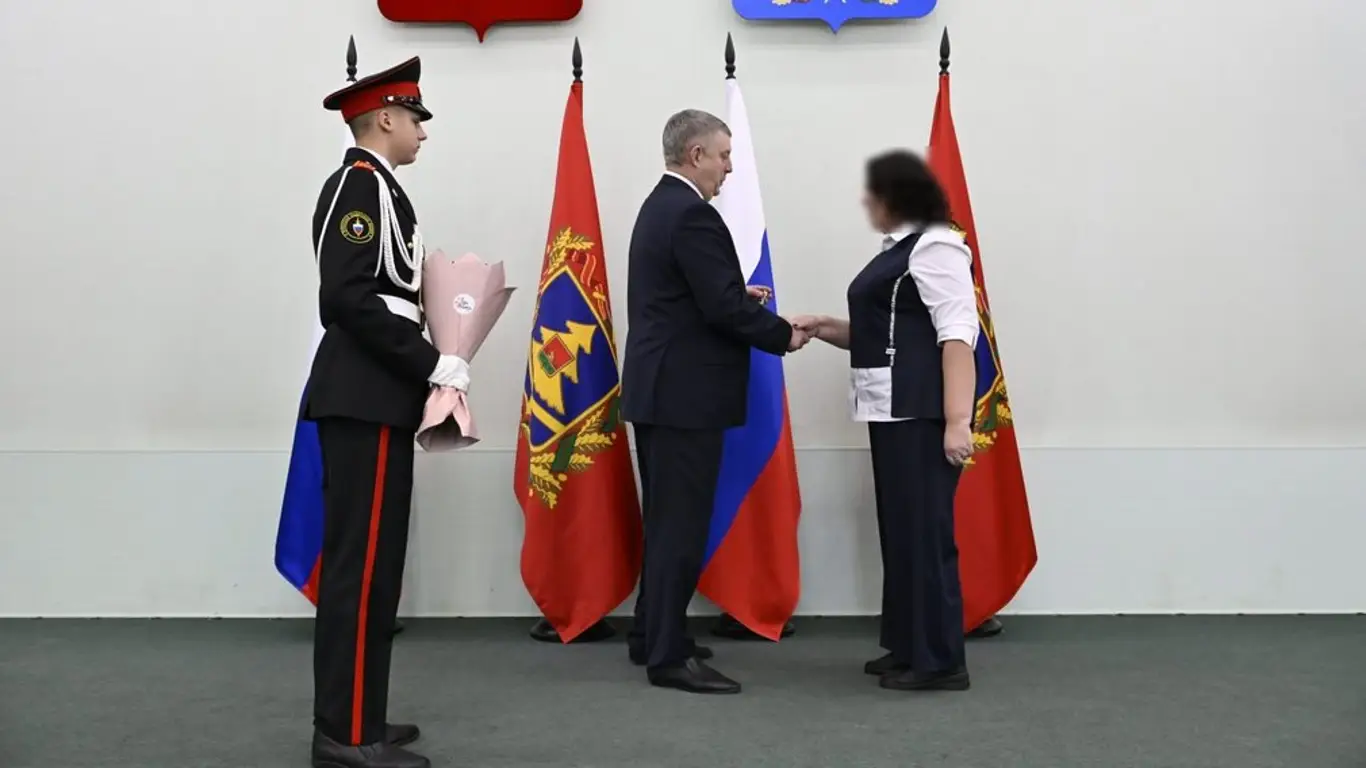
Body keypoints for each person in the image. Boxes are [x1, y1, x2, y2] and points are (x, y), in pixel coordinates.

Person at [304, 55, 469, 768]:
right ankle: (345, 735)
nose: (423, 132)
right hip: (364, 390)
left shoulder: (383, 190)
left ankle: (359, 713)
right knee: (361, 566)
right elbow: (346, 296)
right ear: (385, 118)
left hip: (379, 391)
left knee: (376, 567)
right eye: (415, 119)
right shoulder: (357, 186)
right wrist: (428, 360)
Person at [620, 109, 811, 695]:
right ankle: (669, 657)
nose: (730, 167)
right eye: (724, 155)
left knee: (666, 521)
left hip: (661, 392)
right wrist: (782, 334)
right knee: (680, 526)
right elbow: (720, 310)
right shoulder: (693, 215)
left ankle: (651, 632)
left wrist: (735, 294)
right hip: (684, 398)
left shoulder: (660, 206)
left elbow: (689, 297)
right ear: (695, 154)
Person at [792, 148, 977, 692]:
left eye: (873, 193)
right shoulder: (897, 251)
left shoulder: (937, 247)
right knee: (901, 534)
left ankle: (940, 661)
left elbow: (957, 336)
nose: (865, 202)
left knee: (925, 536)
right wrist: (824, 326)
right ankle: (908, 645)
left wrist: (957, 420)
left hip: (920, 413)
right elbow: (882, 333)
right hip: (889, 409)